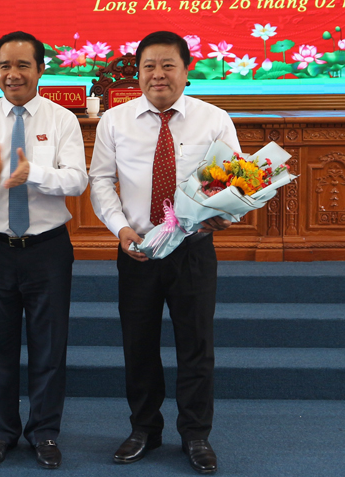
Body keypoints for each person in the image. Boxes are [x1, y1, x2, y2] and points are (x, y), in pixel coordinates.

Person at [89, 31, 237, 475]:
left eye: (168, 65)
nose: (158, 74)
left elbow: (235, 181)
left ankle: (195, 435)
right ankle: (144, 430)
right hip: (139, 251)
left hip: (193, 250)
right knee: (139, 346)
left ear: (186, 70)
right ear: (138, 73)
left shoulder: (214, 119)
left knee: (196, 347)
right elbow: (100, 181)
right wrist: (120, 229)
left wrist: (224, 216)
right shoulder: (115, 121)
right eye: (149, 66)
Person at [0, 31, 88, 469]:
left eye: (22, 65)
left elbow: (76, 180)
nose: (13, 74)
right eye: (4, 66)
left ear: (40, 69)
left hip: (47, 247)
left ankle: (45, 433)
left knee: (50, 346)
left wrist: (33, 174)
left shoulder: (61, 119)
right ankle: (0, 432)